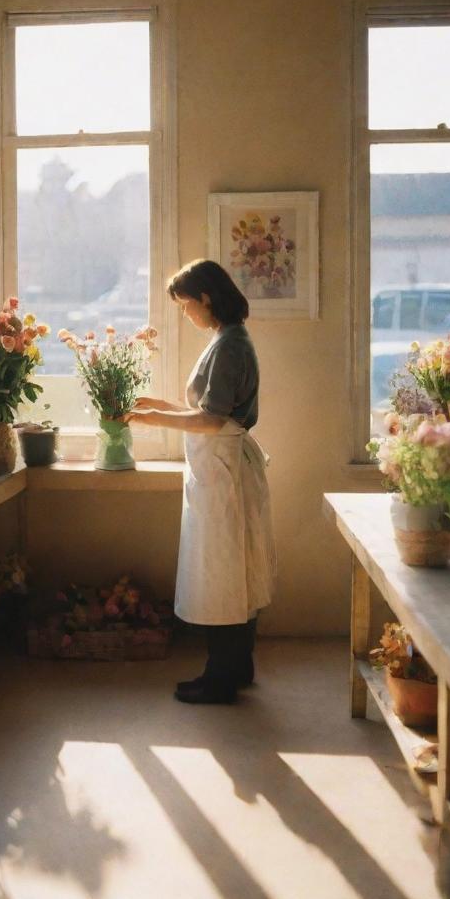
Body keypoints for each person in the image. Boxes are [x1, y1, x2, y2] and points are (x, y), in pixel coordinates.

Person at [126, 259, 275, 704]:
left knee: (223, 573)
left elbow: (211, 419)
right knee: (232, 570)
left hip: (222, 469)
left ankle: (221, 678)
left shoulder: (229, 346)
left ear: (206, 298)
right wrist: (160, 403)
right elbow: (211, 409)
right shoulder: (226, 340)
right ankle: (236, 666)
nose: (185, 313)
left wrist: (154, 417)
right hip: (220, 467)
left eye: (186, 304)